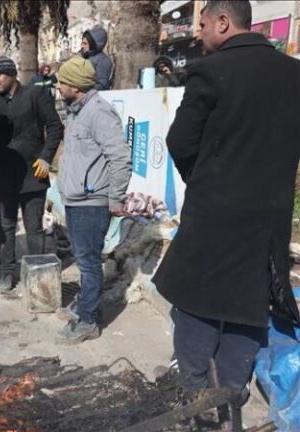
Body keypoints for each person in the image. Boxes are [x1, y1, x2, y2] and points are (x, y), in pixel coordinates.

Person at [152, 1, 300, 404]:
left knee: (198, 304)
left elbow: (180, 142)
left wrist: (203, 181)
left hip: (215, 216)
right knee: (248, 304)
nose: (198, 33)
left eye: (201, 25)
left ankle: (195, 398)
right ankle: (232, 396)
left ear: (223, 22)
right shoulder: (294, 73)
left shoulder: (210, 71)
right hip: (268, 219)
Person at [54, 56, 131, 344]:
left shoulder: (99, 113)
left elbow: (120, 157)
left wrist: (116, 198)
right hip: (76, 201)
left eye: (62, 82)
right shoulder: (76, 111)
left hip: (92, 203)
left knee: (88, 263)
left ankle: (88, 321)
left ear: (76, 85)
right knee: (84, 259)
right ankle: (86, 307)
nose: (58, 86)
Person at [0, 56, 64, 292]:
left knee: (34, 228)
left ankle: (37, 274)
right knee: (6, 227)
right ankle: (7, 273)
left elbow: (55, 126)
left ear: (11, 74)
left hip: (33, 173)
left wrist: (46, 157)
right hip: (4, 174)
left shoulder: (35, 95)